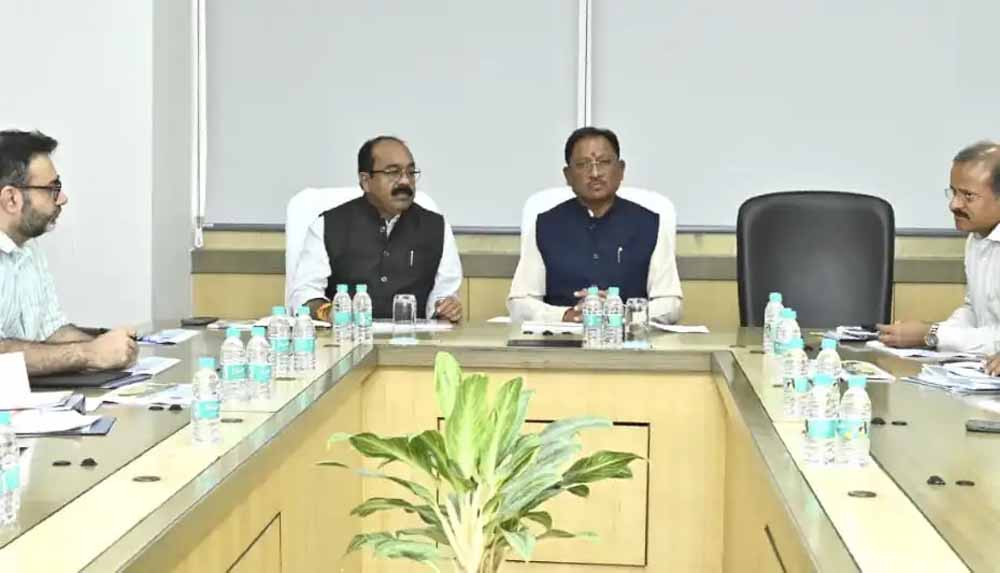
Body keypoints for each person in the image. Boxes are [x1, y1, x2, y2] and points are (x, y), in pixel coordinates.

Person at [507, 126, 682, 323]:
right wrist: (567, 315)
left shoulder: (650, 223)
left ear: (621, 170)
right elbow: (520, 303)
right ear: (568, 175)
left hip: (629, 337)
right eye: (583, 164)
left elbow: (670, 304)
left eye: (604, 162)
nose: (595, 173)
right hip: (560, 337)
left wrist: (623, 312)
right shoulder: (545, 225)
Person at [0, 130, 137, 375]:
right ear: (11, 199)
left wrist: (110, 347)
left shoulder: (28, 246)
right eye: (52, 188)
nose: (62, 198)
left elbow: (52, 331)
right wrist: (90, 354)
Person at [289, 135, 463, 321]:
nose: (405, 181)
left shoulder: (436, 227)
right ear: (366, 181)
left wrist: (446, 307)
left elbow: (444, 294)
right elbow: (305, 294)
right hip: (344, 335)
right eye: (393, 172)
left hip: (413, 337)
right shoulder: (327, 225)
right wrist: (327, 312)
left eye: (411, 172)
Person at [879, 141, 1000, 354]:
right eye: (953, 192)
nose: (954, 204)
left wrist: (932, 334)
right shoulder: (976, 238)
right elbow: (974, 311)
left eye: (968, 196)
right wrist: (933, 333)